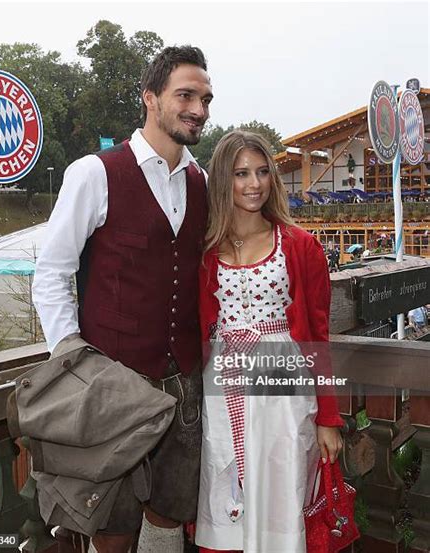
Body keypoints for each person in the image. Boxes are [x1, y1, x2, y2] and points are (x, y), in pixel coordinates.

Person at [32, 45, 213, 553]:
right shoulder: (94, 172)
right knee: (112, 529)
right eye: (185, 95)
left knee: (170, 516)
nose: (198, 109)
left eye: (205, 98)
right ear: (150, 98)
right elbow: (52, 271)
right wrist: (71, 359)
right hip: (112, 388)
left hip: (184, 388)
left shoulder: (200, 181)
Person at [195, 131, 344, 553]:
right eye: (241, 173)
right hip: (222, 388)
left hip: (282, 386)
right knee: (225, 489)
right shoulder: (204, 251)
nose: (254, 183)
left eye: (262, 172)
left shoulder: (300, 246)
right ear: (223, 179)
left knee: (283, 490)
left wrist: (328, 418)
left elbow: (318, 336)